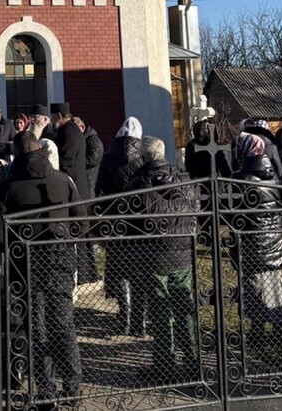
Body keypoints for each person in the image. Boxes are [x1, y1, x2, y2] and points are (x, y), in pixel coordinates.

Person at [0, 131, 85, 409]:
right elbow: (81, 222)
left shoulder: (10, 186)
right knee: (64, 326)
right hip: (59, 262)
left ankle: (46, 391)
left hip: (25, 268)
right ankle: (72, 388)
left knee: (37, 329)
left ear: (17, 155)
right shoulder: (62, 180)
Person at [128, 136, 199, 379]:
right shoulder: (184, 179)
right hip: (181, 252)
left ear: (144, 157)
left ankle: (165, 364)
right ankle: (192, 361)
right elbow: (193, 211)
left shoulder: (139, 183)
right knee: (183, 308)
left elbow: (130, 222)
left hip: (153, 256)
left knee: (160, 311)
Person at [230, 134, 282, 346]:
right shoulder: (271, 175)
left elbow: (236, 214)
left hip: (252, 239)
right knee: (274, 283)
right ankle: (279, 329)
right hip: (273, 237)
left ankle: (257, 330)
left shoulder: (241, 178)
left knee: (254, 286)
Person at [96, 116, 145, 336]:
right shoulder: (143, 157)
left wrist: (105, 215)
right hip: (139, 223)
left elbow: (99, 191)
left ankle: (124, 318)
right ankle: (140, 322)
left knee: (122, 271)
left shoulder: (109, 158)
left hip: (116, 223)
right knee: (139, 273)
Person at [51, 103, 90, 199]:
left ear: (59, 116)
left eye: (53, 117)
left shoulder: (68, 132)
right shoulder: (72, 129)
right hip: (76, 185)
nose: (51, 121)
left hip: (73, 187)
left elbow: (66, 161)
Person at [74, 117, 104, 197]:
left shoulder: (94, 141)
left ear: (82, 127)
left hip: (89, 182)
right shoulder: (79, 141)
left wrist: (76, 162)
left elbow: (93, 159)